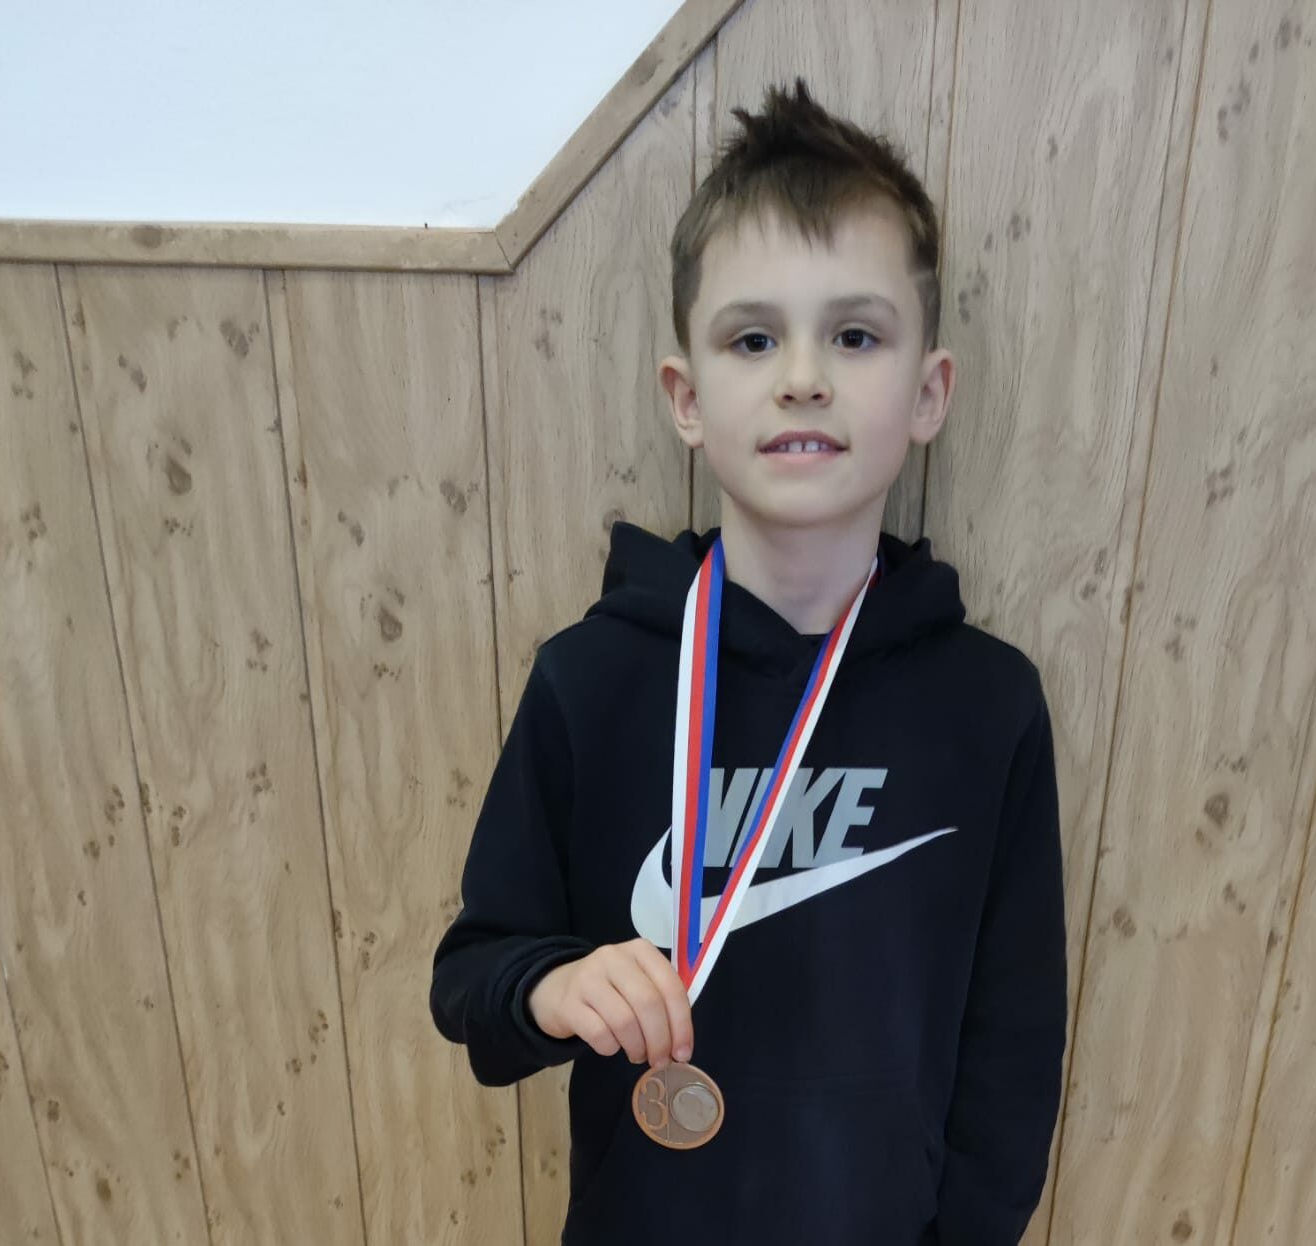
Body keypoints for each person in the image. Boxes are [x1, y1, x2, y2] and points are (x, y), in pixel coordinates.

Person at [430, 78, 1067, 1246]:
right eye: (753, 337)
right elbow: (471, 981)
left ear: (928, 393)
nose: (802, 375)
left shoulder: (987, 706)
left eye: (855, 335)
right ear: (686, 397)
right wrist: (553, 985)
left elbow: (1012, 1050)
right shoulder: (593, 681)